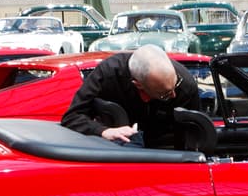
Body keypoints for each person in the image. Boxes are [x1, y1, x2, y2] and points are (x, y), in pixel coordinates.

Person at [60, 44, 200, 148]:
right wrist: (104, 131)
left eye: (174, 86)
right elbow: (72, 117)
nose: (174, 95)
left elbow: (193, 139)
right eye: (164, 94)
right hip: (115, 157)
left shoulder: (185, 86)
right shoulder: (108, 75)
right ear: (138, 84)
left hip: (166, 158)